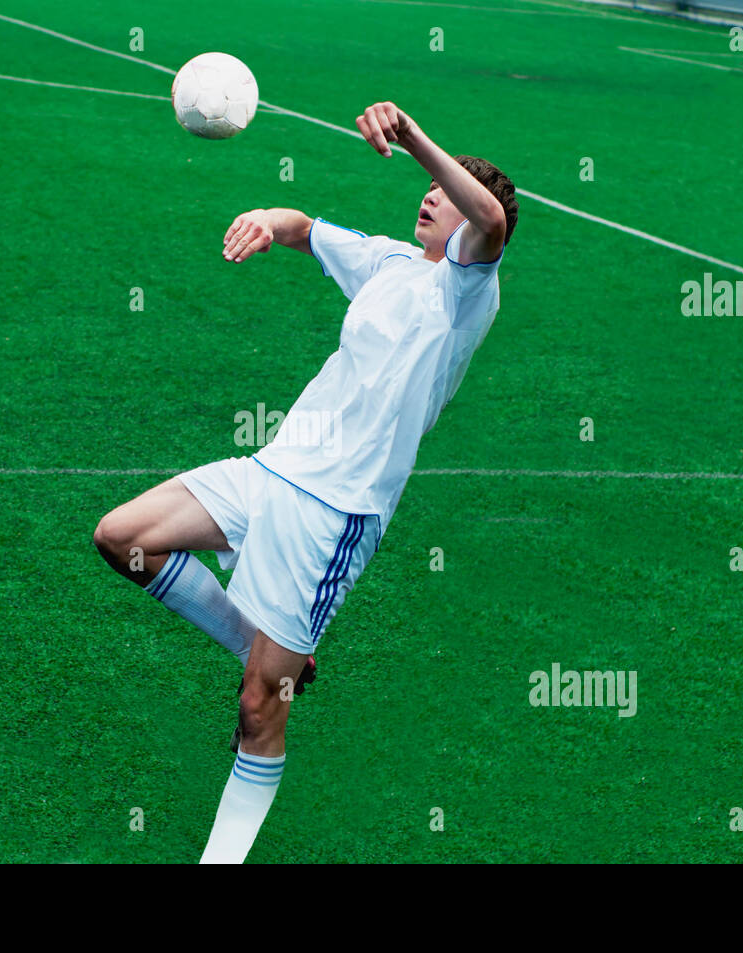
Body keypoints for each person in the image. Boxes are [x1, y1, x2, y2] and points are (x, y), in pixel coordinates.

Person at [93, 101, 519, 863]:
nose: (430, 196)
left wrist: (415, 136)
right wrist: (266, 217)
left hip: (336, 516)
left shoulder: (468, 295)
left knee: (260, 705)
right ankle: (258, 641)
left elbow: (488, 216)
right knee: (122, 537)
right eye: (430, 188)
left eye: (444, 193)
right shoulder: (388, 261)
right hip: (271, 472)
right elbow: (302, 226)